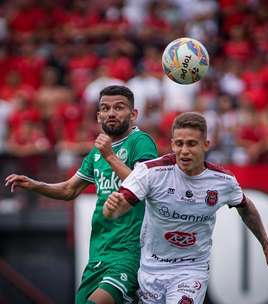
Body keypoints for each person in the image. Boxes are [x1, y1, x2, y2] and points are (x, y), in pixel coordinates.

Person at [103, 112, 268, 304]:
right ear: (172, 144)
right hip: (152, 269)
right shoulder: (151, 172)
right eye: (179, 144)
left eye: (191, 144)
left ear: (206, 144)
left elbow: (246, 208)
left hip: (191, 270)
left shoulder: (223, 181)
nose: (184, 151)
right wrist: (111, 208)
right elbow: (120, 205)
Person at [5, 85, 158, 304]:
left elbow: (145, 186)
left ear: (133, 114)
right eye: (105, 108)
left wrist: (110, 156)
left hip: (129, 251)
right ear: (98, 116)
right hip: (99, 253)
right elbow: (69, 189)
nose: (111, 113)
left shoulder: (140, 141)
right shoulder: (97, 151)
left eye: (119, 107)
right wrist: (35, 184)